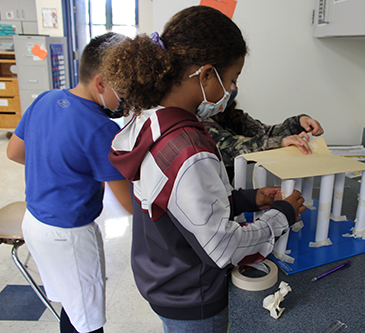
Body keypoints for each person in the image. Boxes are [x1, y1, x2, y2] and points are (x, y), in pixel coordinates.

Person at [101, 6, 306, 333]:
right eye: (232, 79)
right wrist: (280, 215)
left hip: (163, 274)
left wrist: (248, 200)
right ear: (206, 75)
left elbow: (181, 205)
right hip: (191, 297)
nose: (232, 90)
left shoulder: (152, 120)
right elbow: (222, 247)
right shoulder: (189, 148)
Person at [6, 32, 133, 333]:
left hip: (35, 223)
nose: (126, 98)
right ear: (101, 83)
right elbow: (127, 202)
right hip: (70, 236)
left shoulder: (46, 98)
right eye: (124, 89)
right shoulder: (99, 127)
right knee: (87, 324)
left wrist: (57, 167)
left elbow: (14, 151)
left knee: (72, 305)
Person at [200, 89, 324, 181]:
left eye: (235, 81)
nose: (233, 88)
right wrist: (279, 143)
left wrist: (298, 123)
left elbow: (264, 133)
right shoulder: (197, 119)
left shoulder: (232, 116)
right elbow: (229, 147)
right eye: (230, 80)